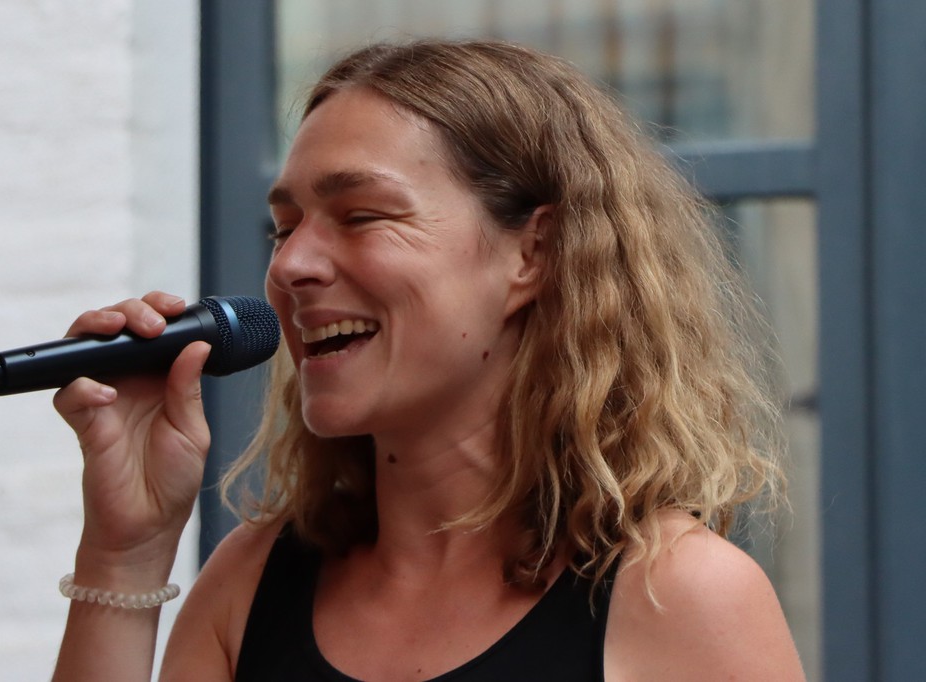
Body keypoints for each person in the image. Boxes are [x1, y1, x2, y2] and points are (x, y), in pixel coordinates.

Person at [51, 40, 805, 681]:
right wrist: (125, 555)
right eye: (285, 228)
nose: (291, 266)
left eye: (361, 216)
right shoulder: (251, 584)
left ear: (533, 252)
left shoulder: (680, 594)